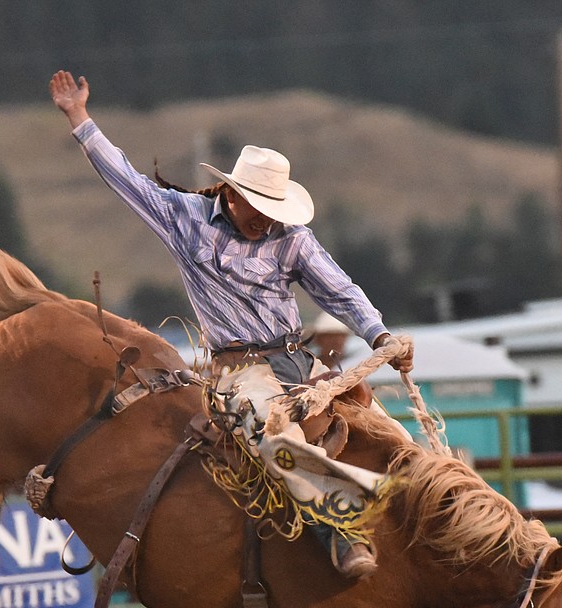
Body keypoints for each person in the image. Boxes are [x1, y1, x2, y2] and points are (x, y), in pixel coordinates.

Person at [50, 70, 412, 579]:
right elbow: (125, 179)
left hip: (298, 358)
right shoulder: (185, 218)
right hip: (237, 371)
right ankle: (345, 527)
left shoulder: (293, 237)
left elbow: (339, 289)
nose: (266, 219)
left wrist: (379, 335)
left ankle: (425, 510)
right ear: (232, 194)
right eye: (258, 208)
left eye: (273, 209)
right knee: (272, 435)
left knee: (391, 433)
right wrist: (79, 117)